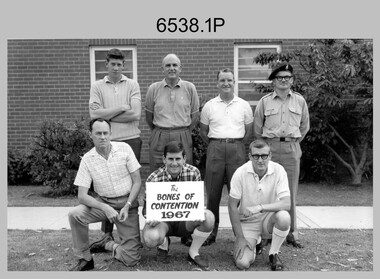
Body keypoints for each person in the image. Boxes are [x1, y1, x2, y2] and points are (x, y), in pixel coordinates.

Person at [68, 118, 142, 271]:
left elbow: (137, 182)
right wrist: (105, 207)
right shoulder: (88, 159)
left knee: (131, 259)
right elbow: (82, 196)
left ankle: (108, 244)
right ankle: (85, 258)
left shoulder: (125, 149)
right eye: (98, 133)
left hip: (126, 205)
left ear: (110, 133)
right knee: (75, 214)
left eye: (105, 133)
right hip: (103, 203)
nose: (102, 137)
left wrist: (128, 205)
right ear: (91, 135)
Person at [88, 48, 142, 249]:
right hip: (107, 141)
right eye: (113, 64)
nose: (117, 68)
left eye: (120, 64)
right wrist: (120, 108)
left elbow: (135, 114)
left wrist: (105, 115)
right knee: (106, 187)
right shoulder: (97, 86)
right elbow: (94, 117)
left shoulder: (132, 84)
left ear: (124, 65)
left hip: (131, 139)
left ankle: (132, 231)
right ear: (106, 64)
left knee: (131, 185)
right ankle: (107, 235)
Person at [253, 62, 310, 248]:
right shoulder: (264, 102)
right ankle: (266, 233)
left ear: (292, 80)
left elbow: (304, 127)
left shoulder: (300, 101)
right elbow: (257, 129)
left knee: (290, 193)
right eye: (279, 78)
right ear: (273, 82)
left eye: (287, 77)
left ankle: (292, 233)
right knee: (267, 190)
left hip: (291, 148)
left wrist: (292, 143)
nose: (283, 80)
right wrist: (268, 147)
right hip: (270, 149)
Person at [199, 68, 253, 245]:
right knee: (213, 193)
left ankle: (241, 233)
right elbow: (203, 131)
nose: (226, 83)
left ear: (234, 82)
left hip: (237, 148)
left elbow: (249, 131)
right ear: (217, 83)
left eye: (229, 80)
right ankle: (211, 232)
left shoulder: (244, 105)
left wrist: (235, 145)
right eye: (222, 80)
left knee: (238, 193)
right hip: (215, 148)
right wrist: (217, 145)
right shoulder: (209, 105)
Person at [141, 141, 215, 269]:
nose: (174, 163)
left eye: (178, 159)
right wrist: (150, 217)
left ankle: (193, 251)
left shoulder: (193, 173)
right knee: (150, 238)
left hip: (185, 221)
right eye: (170, 159)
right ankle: (163, 243)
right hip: (164, 222)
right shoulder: (154, 178)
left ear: (184, 159)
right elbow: (145, 210)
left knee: (208, 217)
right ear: (164, 159)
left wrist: (198, 212)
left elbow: (197, 202)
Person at [228, 139, 291, 271]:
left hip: (269, 219)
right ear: (250, 156)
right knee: (242, 263)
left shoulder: (279, 170)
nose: (260, 160)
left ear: (270, 156)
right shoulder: (240, 172)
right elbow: (232, 206)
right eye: (256, 156)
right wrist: (240, 238)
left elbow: (286, 203)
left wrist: (260, 207)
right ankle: (256, 243)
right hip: (248, 222)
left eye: (264, 156)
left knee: (284, 217)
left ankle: (273, 253)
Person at [145, 53, 200, 173]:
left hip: (182, 134)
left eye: (175, 65)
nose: (171, 68)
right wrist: (158, 131)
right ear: (162, 69)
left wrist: (185, 132)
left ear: (180, 68)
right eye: (168, 65)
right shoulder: (153, 89)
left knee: (184, 170)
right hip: (159, 135)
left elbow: (195, 116)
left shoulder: (190, 88)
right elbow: (148, 116)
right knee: (157, 169)